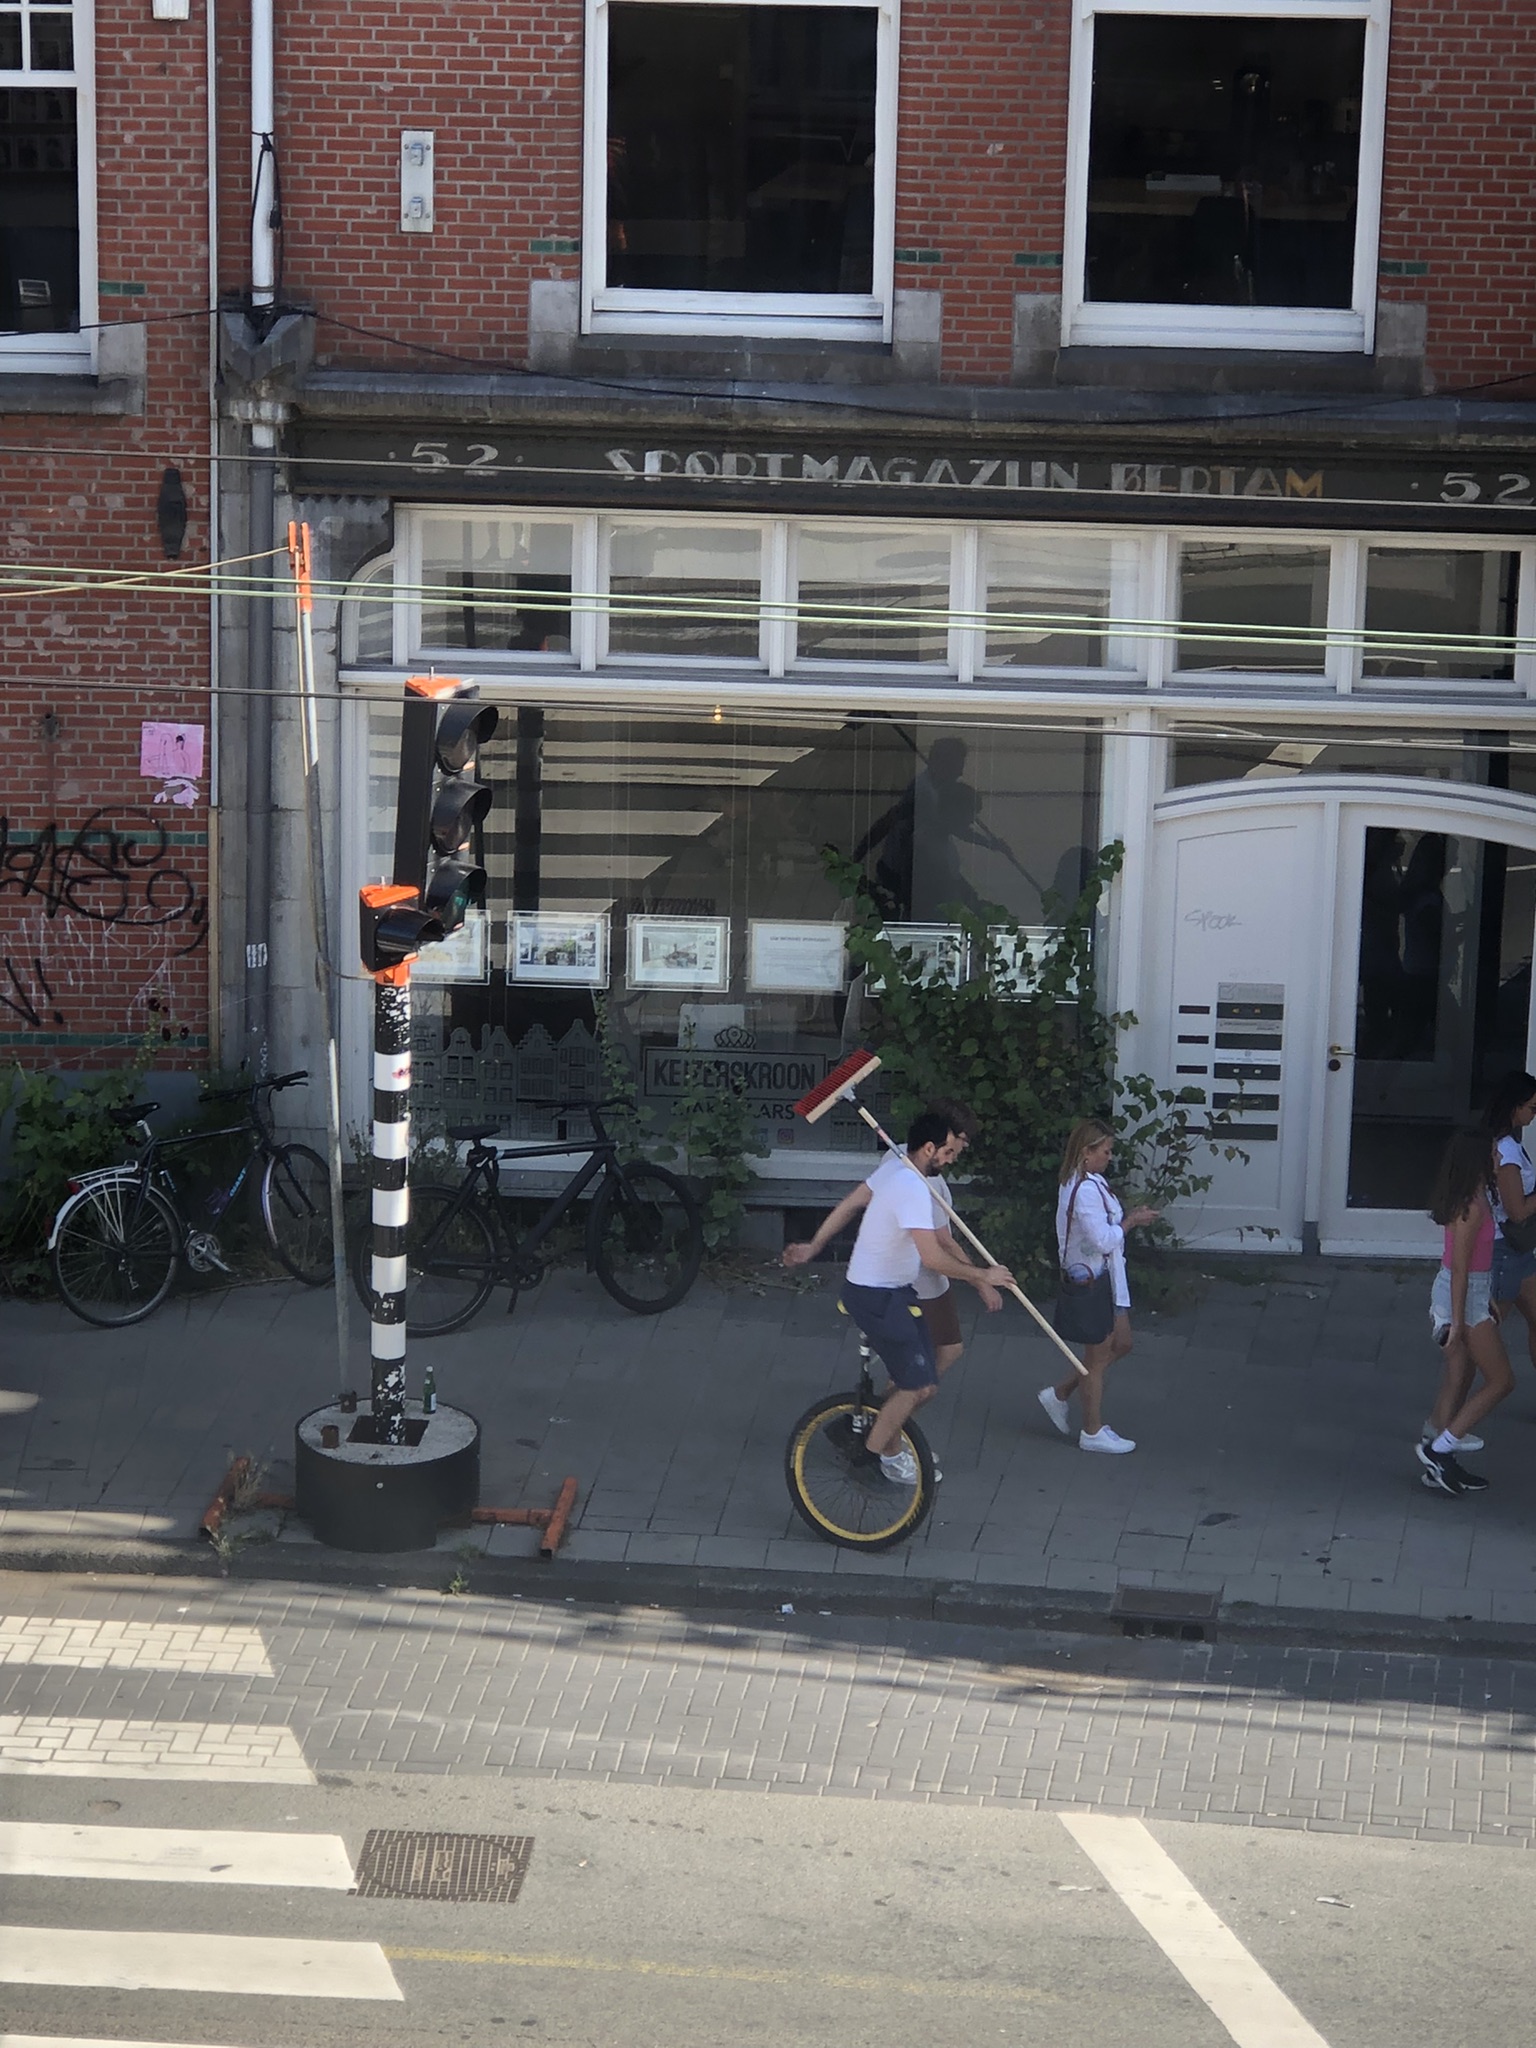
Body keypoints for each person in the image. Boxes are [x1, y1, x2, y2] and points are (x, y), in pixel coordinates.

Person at [785, 1108, 1012, 1485]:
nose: (951, 1160)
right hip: (875, 1296)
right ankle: (871, 1457)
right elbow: (933, 1257)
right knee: (915, 1385)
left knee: (926, 1383)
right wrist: (982, 1275)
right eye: (948, 1152)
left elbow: (850, 1203)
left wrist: (815, 1245)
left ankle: (882, 1441)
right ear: (929, 1148)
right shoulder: (911, 1187)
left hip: (895, 1291)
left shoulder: (897, 1168)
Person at [781, 1099, 990, 1387]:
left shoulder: (897, 1156)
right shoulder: (925, 1182)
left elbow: (852, 1203)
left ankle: (891, 1404)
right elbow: (942, 1244)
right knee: (937, 1359)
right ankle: (890, 1408)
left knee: (913, 1369)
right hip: (917, 1281)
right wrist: (982, 1281)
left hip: (891, 1282)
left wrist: (815, 1245)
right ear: (938, 1141)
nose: (962, 1148)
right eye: (961, 1140)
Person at [1039, 1118, 1159, 1455]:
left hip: (1105, 1279)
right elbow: (1103, 1239)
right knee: (1097, 1356)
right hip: (1094, 1281)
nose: (1109, 1156)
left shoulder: (1086, 1182)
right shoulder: (1086, 1190)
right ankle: (1091, 1430)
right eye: (1105, 1150)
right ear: (1086, 1152)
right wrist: (1131, 1221)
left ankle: (1060, 1393)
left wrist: (1127, 1219)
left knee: (1122, 1344)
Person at [1420, 1125, 1510, 1496]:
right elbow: (1460, 1270)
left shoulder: (1475, 1197)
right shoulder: (1471, 1208)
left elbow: (1471, 1265)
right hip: (1463, 1297)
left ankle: (1438, 1456)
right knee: (1501, 1381)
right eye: (1494, 1153)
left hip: (1472, 1291)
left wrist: (1485, 1296)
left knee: (1460, 1376)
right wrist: (1459, 1322)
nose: (1499, 1157)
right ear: (1478, 1160)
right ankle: (1440, 1449)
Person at [1484, 1068, 1536, 1372]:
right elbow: (1516, 1211)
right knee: (1484, 1334)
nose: (1534, 1115)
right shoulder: (1506, 1151)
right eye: (1532, 1108)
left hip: (1516, 1251)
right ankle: (1458, 1394)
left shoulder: (1504, 1143)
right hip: (1503, 1251)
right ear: (1515, 1106)